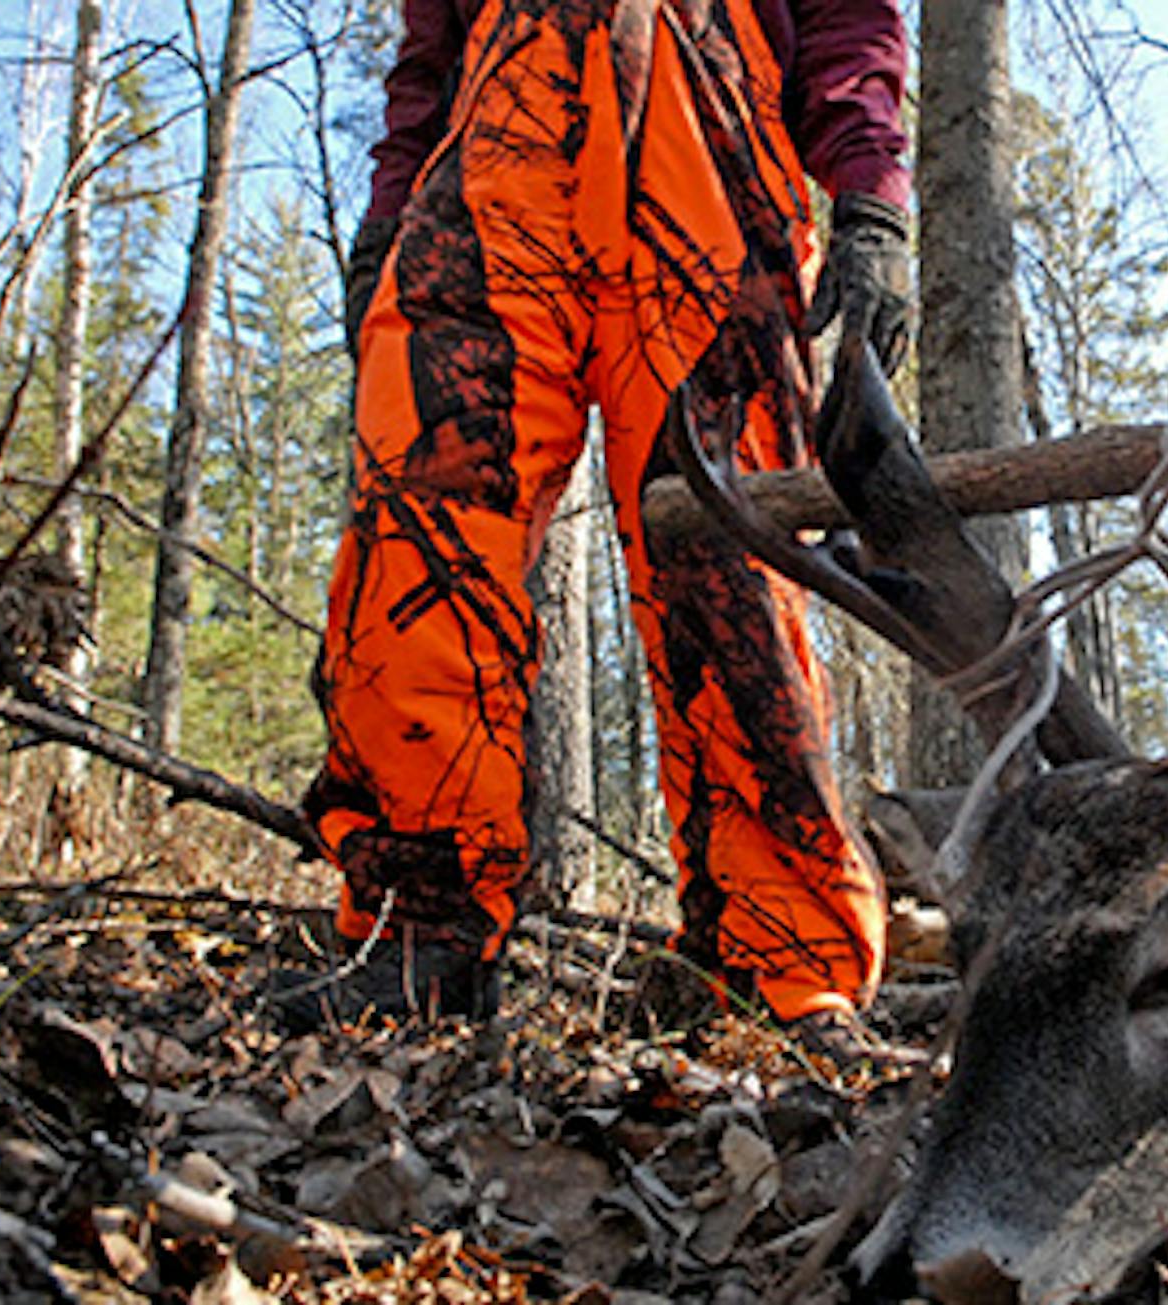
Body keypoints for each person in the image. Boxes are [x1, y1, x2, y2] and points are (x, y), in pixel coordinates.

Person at [284, 0, 914, 1051]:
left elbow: (850, 20)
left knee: (731, 569)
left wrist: (871, 200)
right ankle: (419, 935)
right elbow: (426, 61)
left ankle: (782, 968)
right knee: (418, 535)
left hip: (704, 144)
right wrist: (390, 217)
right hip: (490, 163)